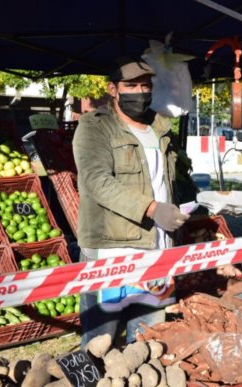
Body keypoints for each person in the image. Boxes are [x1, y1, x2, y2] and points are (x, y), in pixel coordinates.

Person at [73, 57, 190, 348]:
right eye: (131, 85)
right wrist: (152, 209)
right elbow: (97, 181)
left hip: (157, 247)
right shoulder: (94, 127)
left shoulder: (159, 126)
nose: (140, 92)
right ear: (113, 89)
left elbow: (170, 177)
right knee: (100, 341)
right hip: (112, 249)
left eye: (145, 85)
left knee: (148, 338)